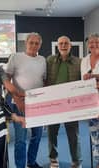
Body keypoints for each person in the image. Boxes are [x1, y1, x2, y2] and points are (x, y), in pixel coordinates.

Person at [6, 32, 47, 168]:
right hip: (19, 104)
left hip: (38, 105)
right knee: (20, 140)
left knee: (37, 136)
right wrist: (16, 98)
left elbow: (44, 81)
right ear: (26, 43)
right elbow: (6, 79)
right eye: (31, 42)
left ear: (40, 45)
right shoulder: (16, 57)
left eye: (37, 43)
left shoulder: (42, 60)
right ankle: (20, 166)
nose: (34, 45)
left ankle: (31, 162)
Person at [46, 36, 82, 168]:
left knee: (74, 135)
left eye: (66, 43)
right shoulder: (50, 60)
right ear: (57, 46)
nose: (63, 45)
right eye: (61, 43)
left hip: (71, 105)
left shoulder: (79, 62)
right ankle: (53, 159)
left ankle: (76, 161)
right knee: (52, 134)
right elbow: (44, 78)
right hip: (53, 103)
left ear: (70, 45)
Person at [81, 33, 99, 168]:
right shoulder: (85, 60)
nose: (94, 45)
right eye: (91, 42)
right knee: (95, 138)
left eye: (97, 42)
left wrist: (94, 76)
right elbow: (83, 81)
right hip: (91, 104)